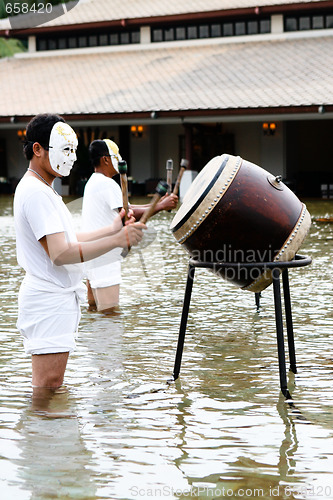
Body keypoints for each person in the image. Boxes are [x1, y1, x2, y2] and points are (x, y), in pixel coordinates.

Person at [14, 114, 145, 392]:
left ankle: (50, 434)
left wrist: (111, 229)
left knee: (53, 386)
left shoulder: (43, 189)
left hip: (54, 299)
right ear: (38, 149)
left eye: (73, 150)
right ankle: (41, 436)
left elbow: (69, 239)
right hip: (48, 299)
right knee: (48, 387)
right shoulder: (37, 193)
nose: (71, 157)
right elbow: (61, 254)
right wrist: (118, 240)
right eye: (64, 149)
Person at [81, 139, 178, 314]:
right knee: (110, 316)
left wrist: (159, 204)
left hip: (92, 257)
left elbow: (128, 208)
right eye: (115, 157)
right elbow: (127, 211)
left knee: (94, 312)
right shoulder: (107, 184)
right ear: (105, 160)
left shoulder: (92, 183)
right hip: (105, 258)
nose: (119, 161)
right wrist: (161, 206)